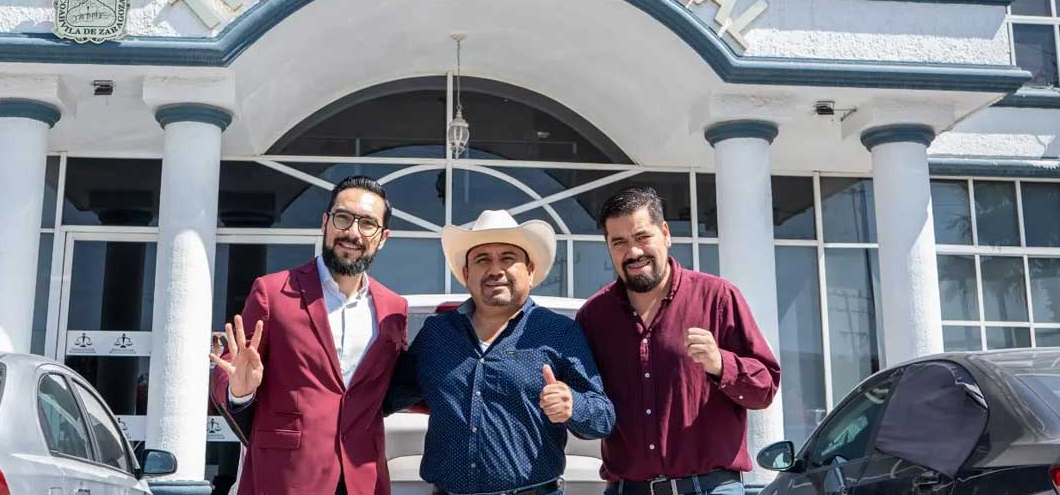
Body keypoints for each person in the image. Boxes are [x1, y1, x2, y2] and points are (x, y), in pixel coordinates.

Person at [385, 210, 615, 495]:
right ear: (466, 274)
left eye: (508, 258)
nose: (495, 270)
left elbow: (602, 418)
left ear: (530, 271)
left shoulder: (559, 333)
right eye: (482, 260)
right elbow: (384, 397)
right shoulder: (436, 335)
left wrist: (573, 405)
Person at [210, 176, 408, 495]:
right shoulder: (273, 292)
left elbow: (396, 385)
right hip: (286, 476)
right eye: (344, 218)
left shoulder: (393, 308)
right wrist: (237, 389)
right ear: (325, 222)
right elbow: (232, 364)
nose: (353, 232)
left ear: (383, 237)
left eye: (368, 224)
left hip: (363, 478)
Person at [576, 187, 780, 495]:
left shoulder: (718, 298)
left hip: (710, 488)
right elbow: (588, 407)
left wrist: (721, 364)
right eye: (619, 242)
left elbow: (764, 389)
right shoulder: (593, 317)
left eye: (642, 237)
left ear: (666, 234)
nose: (633, 252)